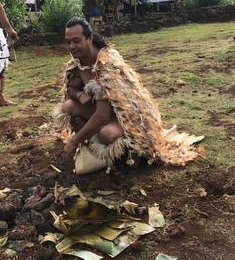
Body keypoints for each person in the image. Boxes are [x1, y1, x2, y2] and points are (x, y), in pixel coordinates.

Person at [55, 17, 203, 171]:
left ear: (89, 38)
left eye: (76, 41)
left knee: (107, 134)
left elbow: (102, 116)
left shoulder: (106, 65)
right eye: (68, 42)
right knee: (68, 106)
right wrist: (79, 95)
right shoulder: (76, 63)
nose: (72, 46)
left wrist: (74, 141)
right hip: (101, 112)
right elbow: (71, 89)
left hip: (126, 118)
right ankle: (92, 145)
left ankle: (128, 156)